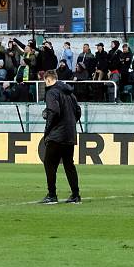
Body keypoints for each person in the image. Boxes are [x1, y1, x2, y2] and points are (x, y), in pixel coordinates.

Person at [41, 71, 82, 204]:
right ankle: (75, 195)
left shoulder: (52, 92)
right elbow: (78, 111)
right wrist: (70, 124)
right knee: (69, 164)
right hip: (69, 133)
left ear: (48, 80)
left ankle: (52, 194)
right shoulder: (70, 93)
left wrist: (47, 130)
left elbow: (54, 111)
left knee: (49, 163)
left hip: (57, 134)